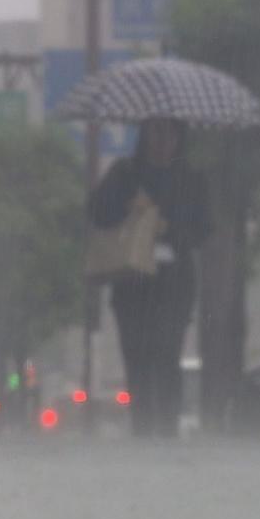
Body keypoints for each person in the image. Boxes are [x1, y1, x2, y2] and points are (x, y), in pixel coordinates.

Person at [88, 119, 211, 438]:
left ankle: (167, 425)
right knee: (137, 355)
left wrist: (168, 227)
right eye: (155, 132)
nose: (162, 141)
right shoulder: (124, 174)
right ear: (143, 135)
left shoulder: (191, 179)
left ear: (179, 138)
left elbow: (204, 228)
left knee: (168, 354)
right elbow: (96, 212)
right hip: (131, 281)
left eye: (169, 134)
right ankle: (143, 425)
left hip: (174, 281)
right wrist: (128, 207)